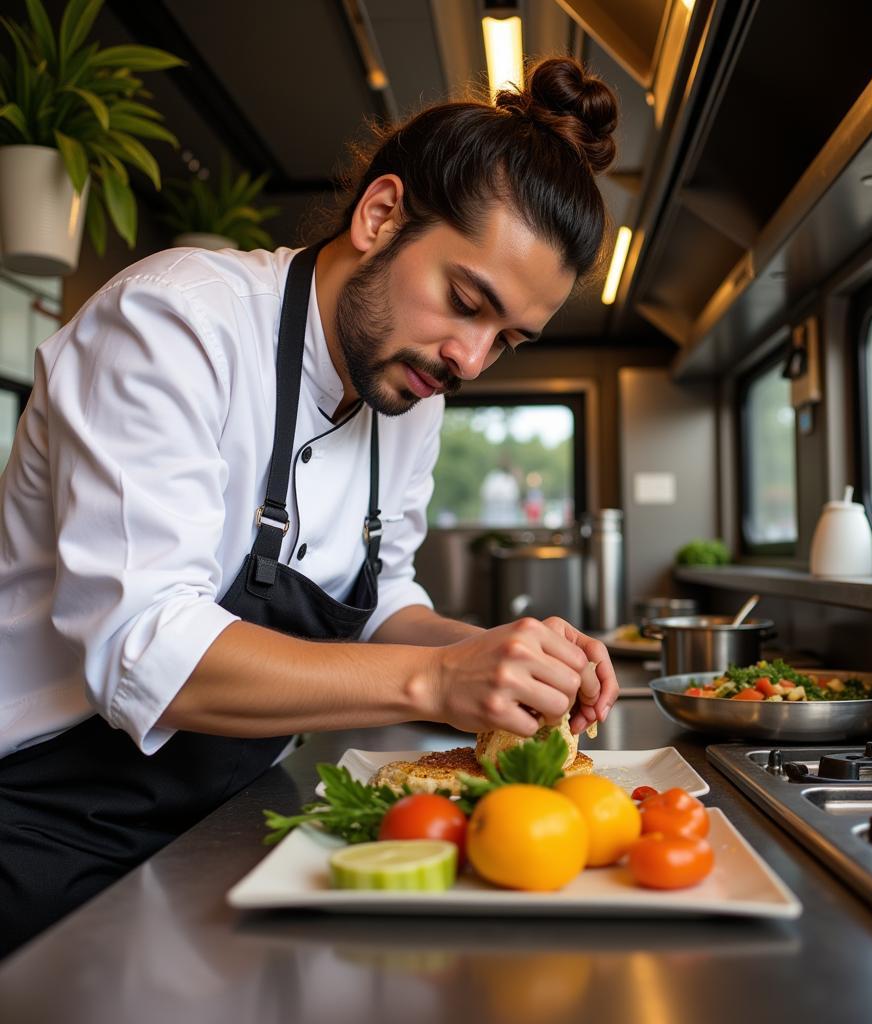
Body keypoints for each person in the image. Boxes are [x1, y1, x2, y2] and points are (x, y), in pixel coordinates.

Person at [0, 56, 621, 953]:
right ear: (380, 216)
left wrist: (502, 657)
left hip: (228, 815)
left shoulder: (408, 399)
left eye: (507, 339)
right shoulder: (173, 326)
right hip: (44, 828)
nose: (471, 360)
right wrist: (441, 682)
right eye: (465, 301)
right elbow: (144, 647)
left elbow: (381, 606)